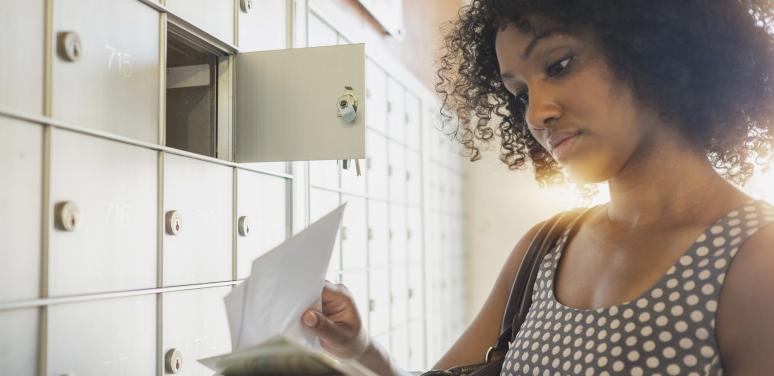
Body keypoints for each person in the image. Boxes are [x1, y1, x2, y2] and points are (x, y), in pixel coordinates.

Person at [300, 1, 774, 375]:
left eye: (560, 64)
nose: (535, 114)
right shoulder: (545, 247)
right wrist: (362, 349)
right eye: (520, 92)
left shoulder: (757, 257)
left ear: (652, 48)